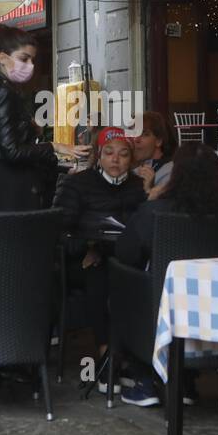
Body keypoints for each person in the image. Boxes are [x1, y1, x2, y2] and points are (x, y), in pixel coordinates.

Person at [115, 142, 218, 407]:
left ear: (176, 173)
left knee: (122, 286)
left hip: (163, 311)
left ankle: (146, 379)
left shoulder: (156, 211)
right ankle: (185, 382)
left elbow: (125, 254)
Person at [53, 127, 147, 373]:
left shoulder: (139, 187)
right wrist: (85, 247)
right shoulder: (78, 184)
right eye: (109, 153)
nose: (116, 159)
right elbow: (59, 229)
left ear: (131, 158)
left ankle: (138, 356)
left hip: (126, 258)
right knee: (99, 273)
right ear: (99, 155)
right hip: (82, 259)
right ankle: (108, 355)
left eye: (123, 154)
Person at [0, 24, 88, 210]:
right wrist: (54, 145)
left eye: (32, 60)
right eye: (24, 59)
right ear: (3, 58)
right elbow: (12, 151)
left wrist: (29, 128)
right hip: (9, 194)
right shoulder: (3, 93)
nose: (30, 66)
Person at [131, 111, 177, 199]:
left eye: (144, 134)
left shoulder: (171, 173)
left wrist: (149, 191)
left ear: (158, 141)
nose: (136, 139)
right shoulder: (134, 170)